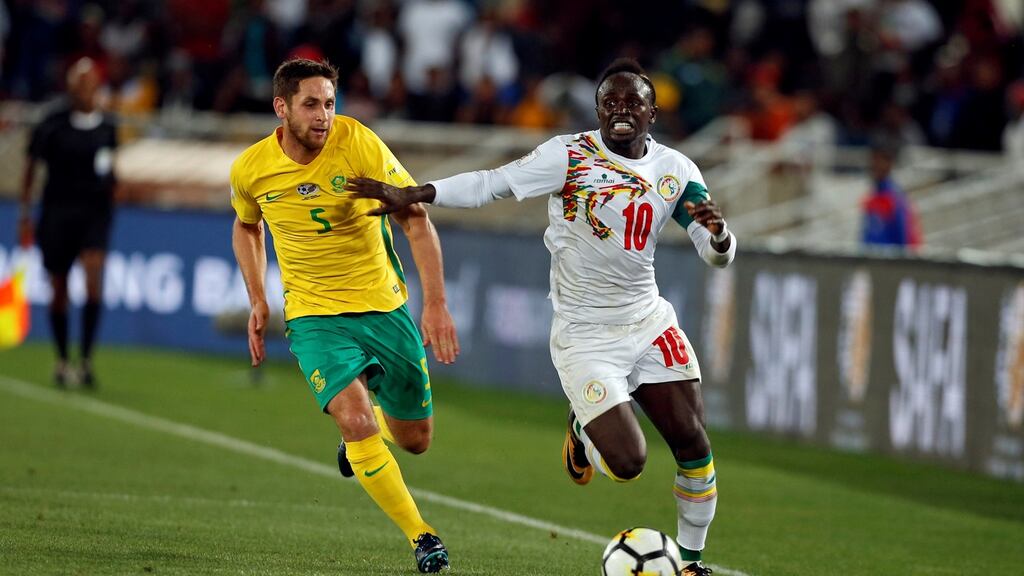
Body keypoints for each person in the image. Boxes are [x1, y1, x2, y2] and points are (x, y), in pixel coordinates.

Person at [347, 57, 735, 576]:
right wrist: (417, 193)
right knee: (628, 464)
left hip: (647, 321)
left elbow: (715, 254)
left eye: (632, 102)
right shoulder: (569, 155)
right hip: (584, 334)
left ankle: (691, 562)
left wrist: (721, 236)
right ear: (598, 110)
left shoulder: (677, 171)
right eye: (610, 102)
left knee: (694, 443)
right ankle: (583, 428)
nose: (621, 110)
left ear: (652, 113)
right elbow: (493, 183)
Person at [229, 58, 459, 573]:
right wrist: (259, 298)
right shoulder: (251, 168)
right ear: (281, 107)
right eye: (311, 104)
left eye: (330, 103)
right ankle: (422, 536)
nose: (324, 116)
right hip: (314, 318)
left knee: (415, 439)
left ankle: (373, 425)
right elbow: (247, 227)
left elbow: (415, 219)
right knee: (353, 420)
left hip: (383, 308)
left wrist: (437, 302)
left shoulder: (359, 145)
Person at [18, 57, 117, 388]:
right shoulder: (52, 124)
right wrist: (25, 214)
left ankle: (86, 359)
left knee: (93, 277)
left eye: (91, 83)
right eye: (80, 83)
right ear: (71, 87)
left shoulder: (107, 128)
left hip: (93, 215)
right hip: (58, 214)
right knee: (59, 289)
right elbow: (31, 167)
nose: (86, 89)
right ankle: (62, 359)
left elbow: (109, 171)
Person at [861, 140, 921, 248]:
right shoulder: (872, 196)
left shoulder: (896, 198)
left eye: (880, 160)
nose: (875, 165)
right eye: (873, 160)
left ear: (889, 164)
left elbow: (905, 237)